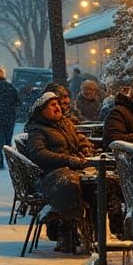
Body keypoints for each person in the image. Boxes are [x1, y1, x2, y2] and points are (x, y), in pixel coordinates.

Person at [23, 91, 93, 252]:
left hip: (74, 168)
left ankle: (93, 232)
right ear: (42, 110)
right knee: (69, 184)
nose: (57, 108)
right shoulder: (38, 129)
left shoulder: (65, 123)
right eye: (52, 105)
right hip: (51, 173)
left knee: (102, 184)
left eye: (58, 104)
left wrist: (85, 147)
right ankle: (66, 232)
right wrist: (66, 159)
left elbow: (79, 138)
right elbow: (38, 154)